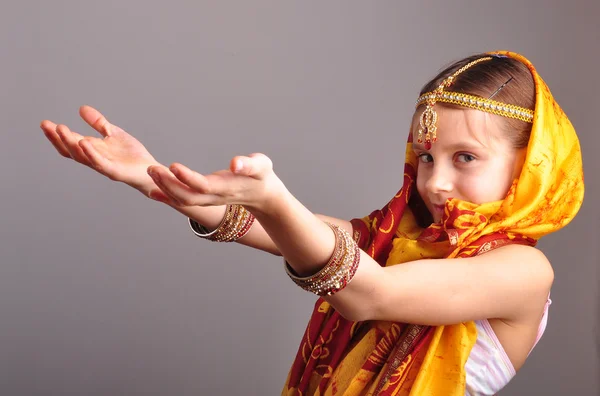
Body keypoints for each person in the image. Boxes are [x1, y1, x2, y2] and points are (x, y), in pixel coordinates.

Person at [41, 50, 584, 395]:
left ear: (529, 165)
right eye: (425, 157)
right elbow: (274, 228)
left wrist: (274, 200)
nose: (434, 182)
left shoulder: (523, 271)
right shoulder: (395, 240)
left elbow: (371, 294)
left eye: (464, 157)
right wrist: (153, 178)